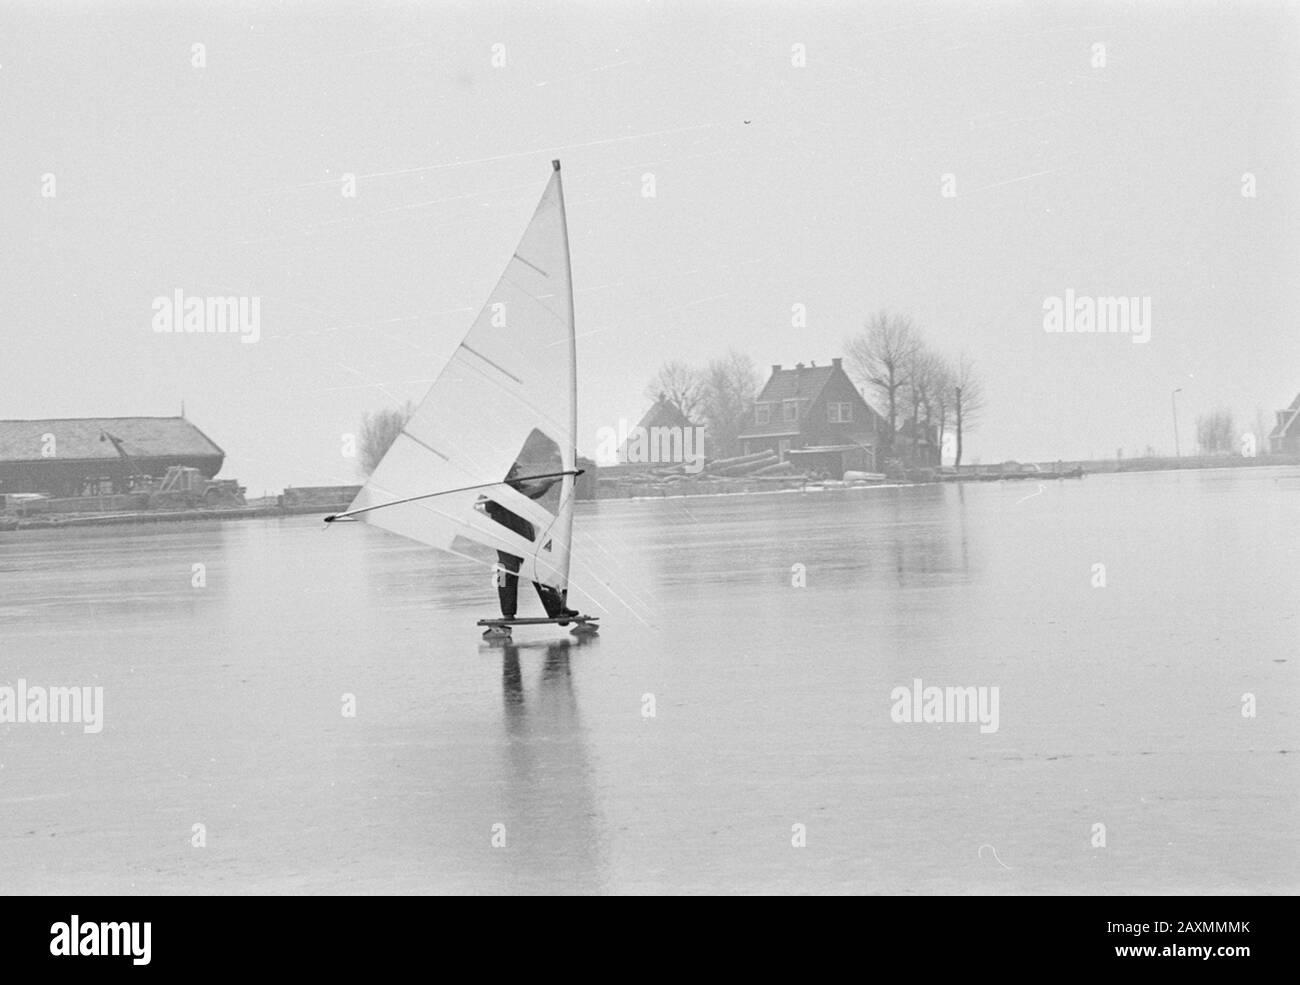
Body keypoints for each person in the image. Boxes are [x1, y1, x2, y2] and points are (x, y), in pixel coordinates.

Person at [484, 462, 579, 624]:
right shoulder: (494, 493)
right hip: (507, 542)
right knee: (506, 573)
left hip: (526, 540)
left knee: (540, 571)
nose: (516, 475)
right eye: (513, 473)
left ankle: (557, 610)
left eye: (515, 472)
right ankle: (507, 614)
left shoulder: (519, 488)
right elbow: (524, 494)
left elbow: (535, 491)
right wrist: (544, 483)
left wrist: (558, 480)